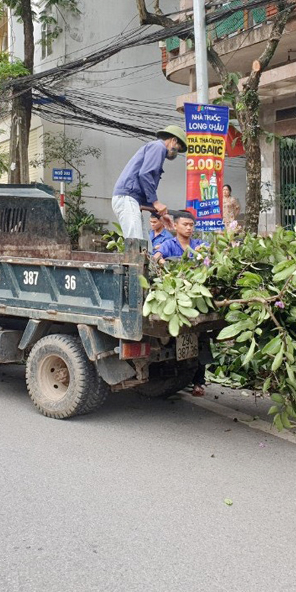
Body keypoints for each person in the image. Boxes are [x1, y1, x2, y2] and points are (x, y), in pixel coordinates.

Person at [154, 210, 209, 396]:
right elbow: (157, 257)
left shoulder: (199, 245)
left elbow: (212, 256)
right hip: (177, 300)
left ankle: (199, 382)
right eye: (185, 224)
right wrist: (160, 261)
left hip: (197, 301)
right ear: (175, 226)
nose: (189, 228)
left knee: (200, 339)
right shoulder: (169, 245)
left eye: (191, 225)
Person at [112, 125, 187, 242]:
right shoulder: (159, 147)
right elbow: (145, 174)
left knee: (145, 246)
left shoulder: (156, 149)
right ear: (173, 140)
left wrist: (159, 215)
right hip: (127, 197)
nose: (177, 151)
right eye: (178, 146)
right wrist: (156, 202)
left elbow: (145, 183)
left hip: (131, 200)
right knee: (136, 244)